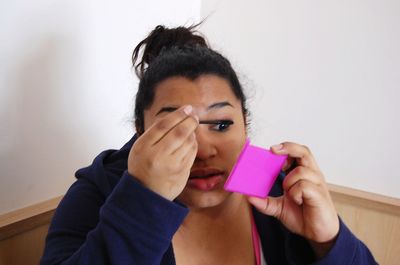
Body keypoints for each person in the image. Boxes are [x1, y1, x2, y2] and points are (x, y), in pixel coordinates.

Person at [40, 24, 377, 265]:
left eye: (221, 124)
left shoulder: (274, 189)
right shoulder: (103, 191)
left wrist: (329, 242)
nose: (202, 149)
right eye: (173, 126)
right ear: (140, 133)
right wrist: (142, 201)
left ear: (245, 124)